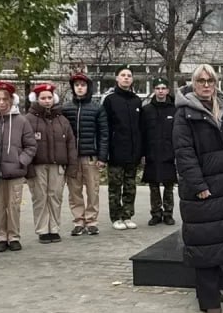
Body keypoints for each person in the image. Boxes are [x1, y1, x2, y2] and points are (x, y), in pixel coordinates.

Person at [173, 64, 223, 313]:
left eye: (210, 80)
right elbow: (184, 154)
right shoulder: (185, 113)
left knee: (219, 239)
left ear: (216, 83)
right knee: (205, 241)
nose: (206, 85)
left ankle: (211, 290)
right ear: (193, 83)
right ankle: (209, 299)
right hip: (202, 188)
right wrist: (198, 185)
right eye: (201, 80)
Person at [26, 82, 78, 243]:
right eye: (43, 98)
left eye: (49, 97)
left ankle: (54, 228)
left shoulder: (62, 120)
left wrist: (72, 165)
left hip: (58, 165)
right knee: (40, 197)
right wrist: (27, 167)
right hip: (37, 165)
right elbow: (24, 144)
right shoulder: (28, 119)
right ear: (37, 99)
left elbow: (70, 143)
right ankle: (42, 230)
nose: (47, 101)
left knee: (55, 196)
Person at [0, 80, 36, 253]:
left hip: (15, 172)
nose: (1, 102)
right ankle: (1, 237)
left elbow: (31, 145)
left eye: (5, 99)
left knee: (14, 206)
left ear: (11, 100)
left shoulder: (21, 121)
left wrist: (21, 161)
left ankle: (14, 236)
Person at [62, 72, 108, 236]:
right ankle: (78, 221)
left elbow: (104, 133)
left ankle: (92, 221)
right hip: (72, 158)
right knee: (74, 191)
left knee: (92, 190)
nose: (80, 88)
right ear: (73, 88)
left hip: (91, 156)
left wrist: (102, 157)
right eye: (77, 85)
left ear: (88, 88)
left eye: (83, 85)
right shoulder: (66, 108)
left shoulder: (97, 108)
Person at [104, 66, 143, 230]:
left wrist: (141, 151)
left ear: (132, 79)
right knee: (115, 187)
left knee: (130, 186)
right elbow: (105, 127)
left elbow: (140, 127)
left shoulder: (136, 100)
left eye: (129, 76)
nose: (126, 78)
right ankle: (116, 217)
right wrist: (105, 151)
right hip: (115, 152)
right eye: (123, 75)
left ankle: (127, 215)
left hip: (133, 152)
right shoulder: (110, 100)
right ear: (117, 79)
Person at [141, 77, 178, 225]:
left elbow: (178, 133)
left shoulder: (174, 109)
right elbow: (142, 133)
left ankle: (168, 213)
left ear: (168, 90)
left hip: (169, 153)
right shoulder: (146, 110)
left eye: (163, 88)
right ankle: (156, 213)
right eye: (158, 88)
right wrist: (143, 154)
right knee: (154, 185)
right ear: (154, 90)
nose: (161, 91)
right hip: (152, 153)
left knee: (169, 185)